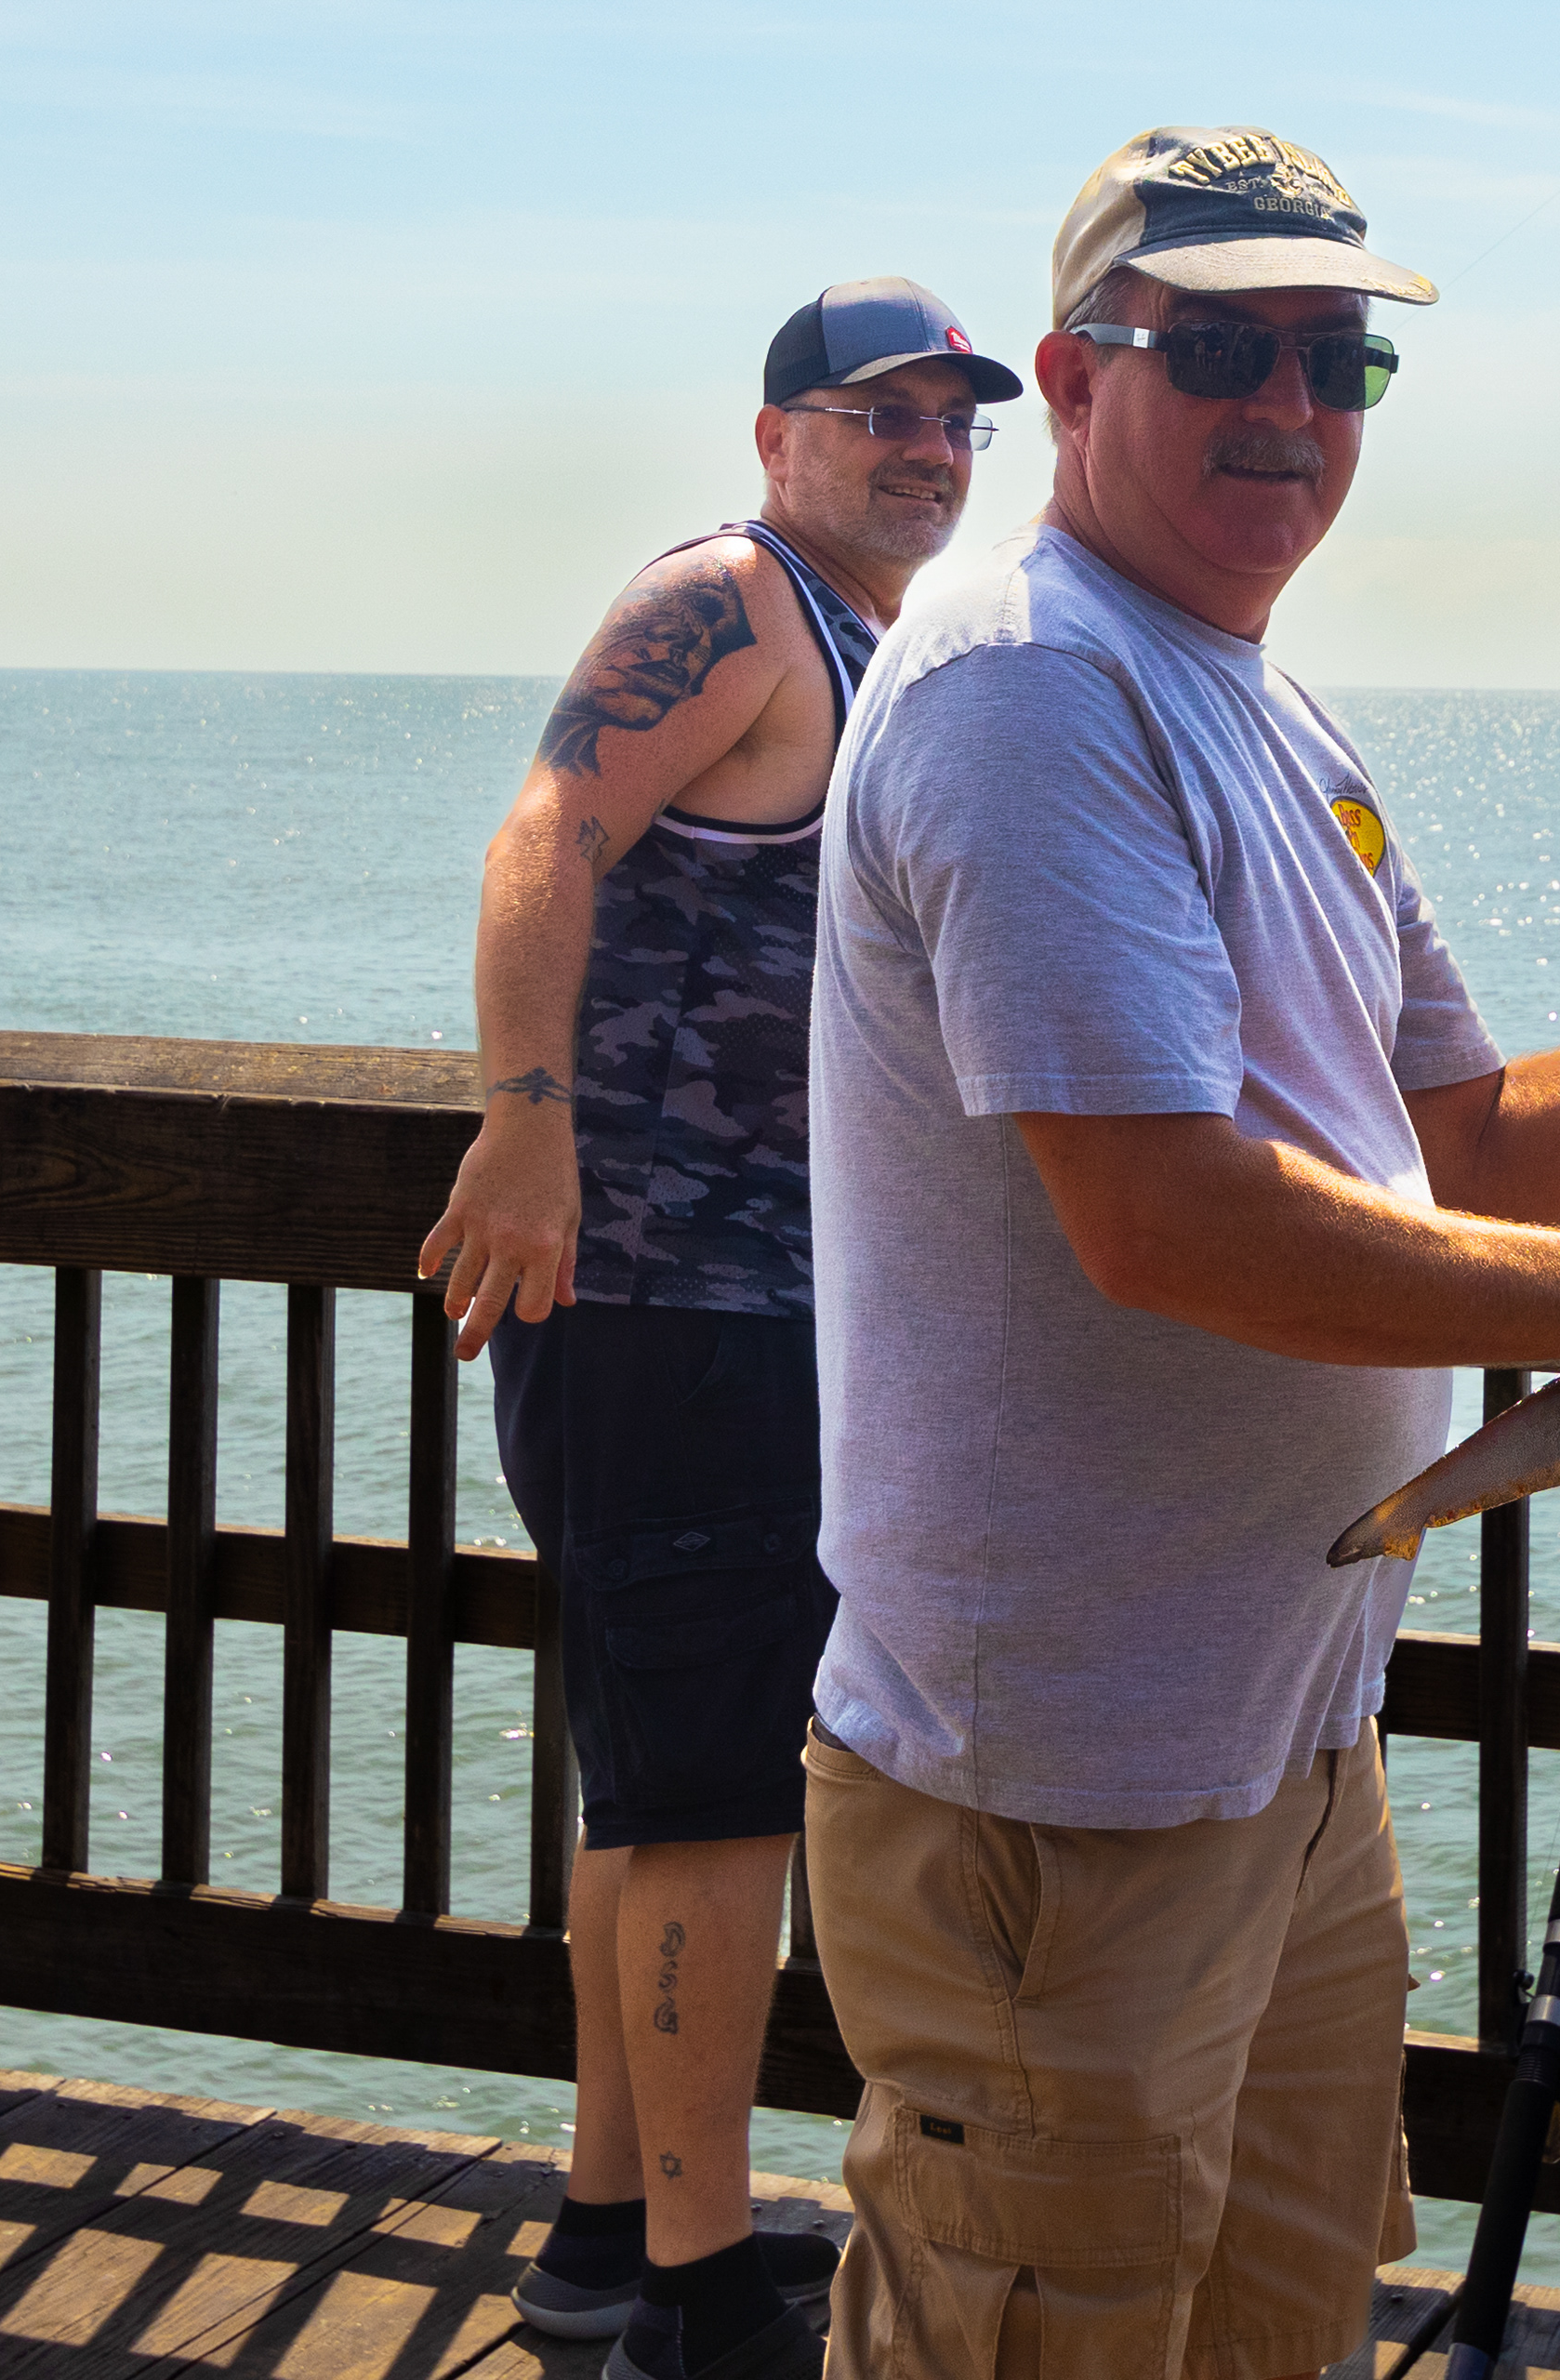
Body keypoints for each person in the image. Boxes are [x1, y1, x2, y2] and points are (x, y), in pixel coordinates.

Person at [800, 127, 1560, 2380]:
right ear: (1072, 383)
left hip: (1286, 1745)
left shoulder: (1264, 706)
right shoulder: (1027, 688)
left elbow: (1462, 1140)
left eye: (1339, 358)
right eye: (1223, 349)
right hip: (1060, 1789)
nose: (1292, 406)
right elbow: (1160, 1220)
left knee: (1272, 2329)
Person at [417, 277, 1021, 2380]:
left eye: (957, 421)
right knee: (708, 1815)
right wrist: (525, 1121)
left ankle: (606, 2227)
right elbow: (545, 827)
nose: (928, 450)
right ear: (779, 437)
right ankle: (693, 2296)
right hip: (666, 1296)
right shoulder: (734, 597)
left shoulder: (881, 641)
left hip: (766, 1310)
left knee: (661, 1788)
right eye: (882, 415)